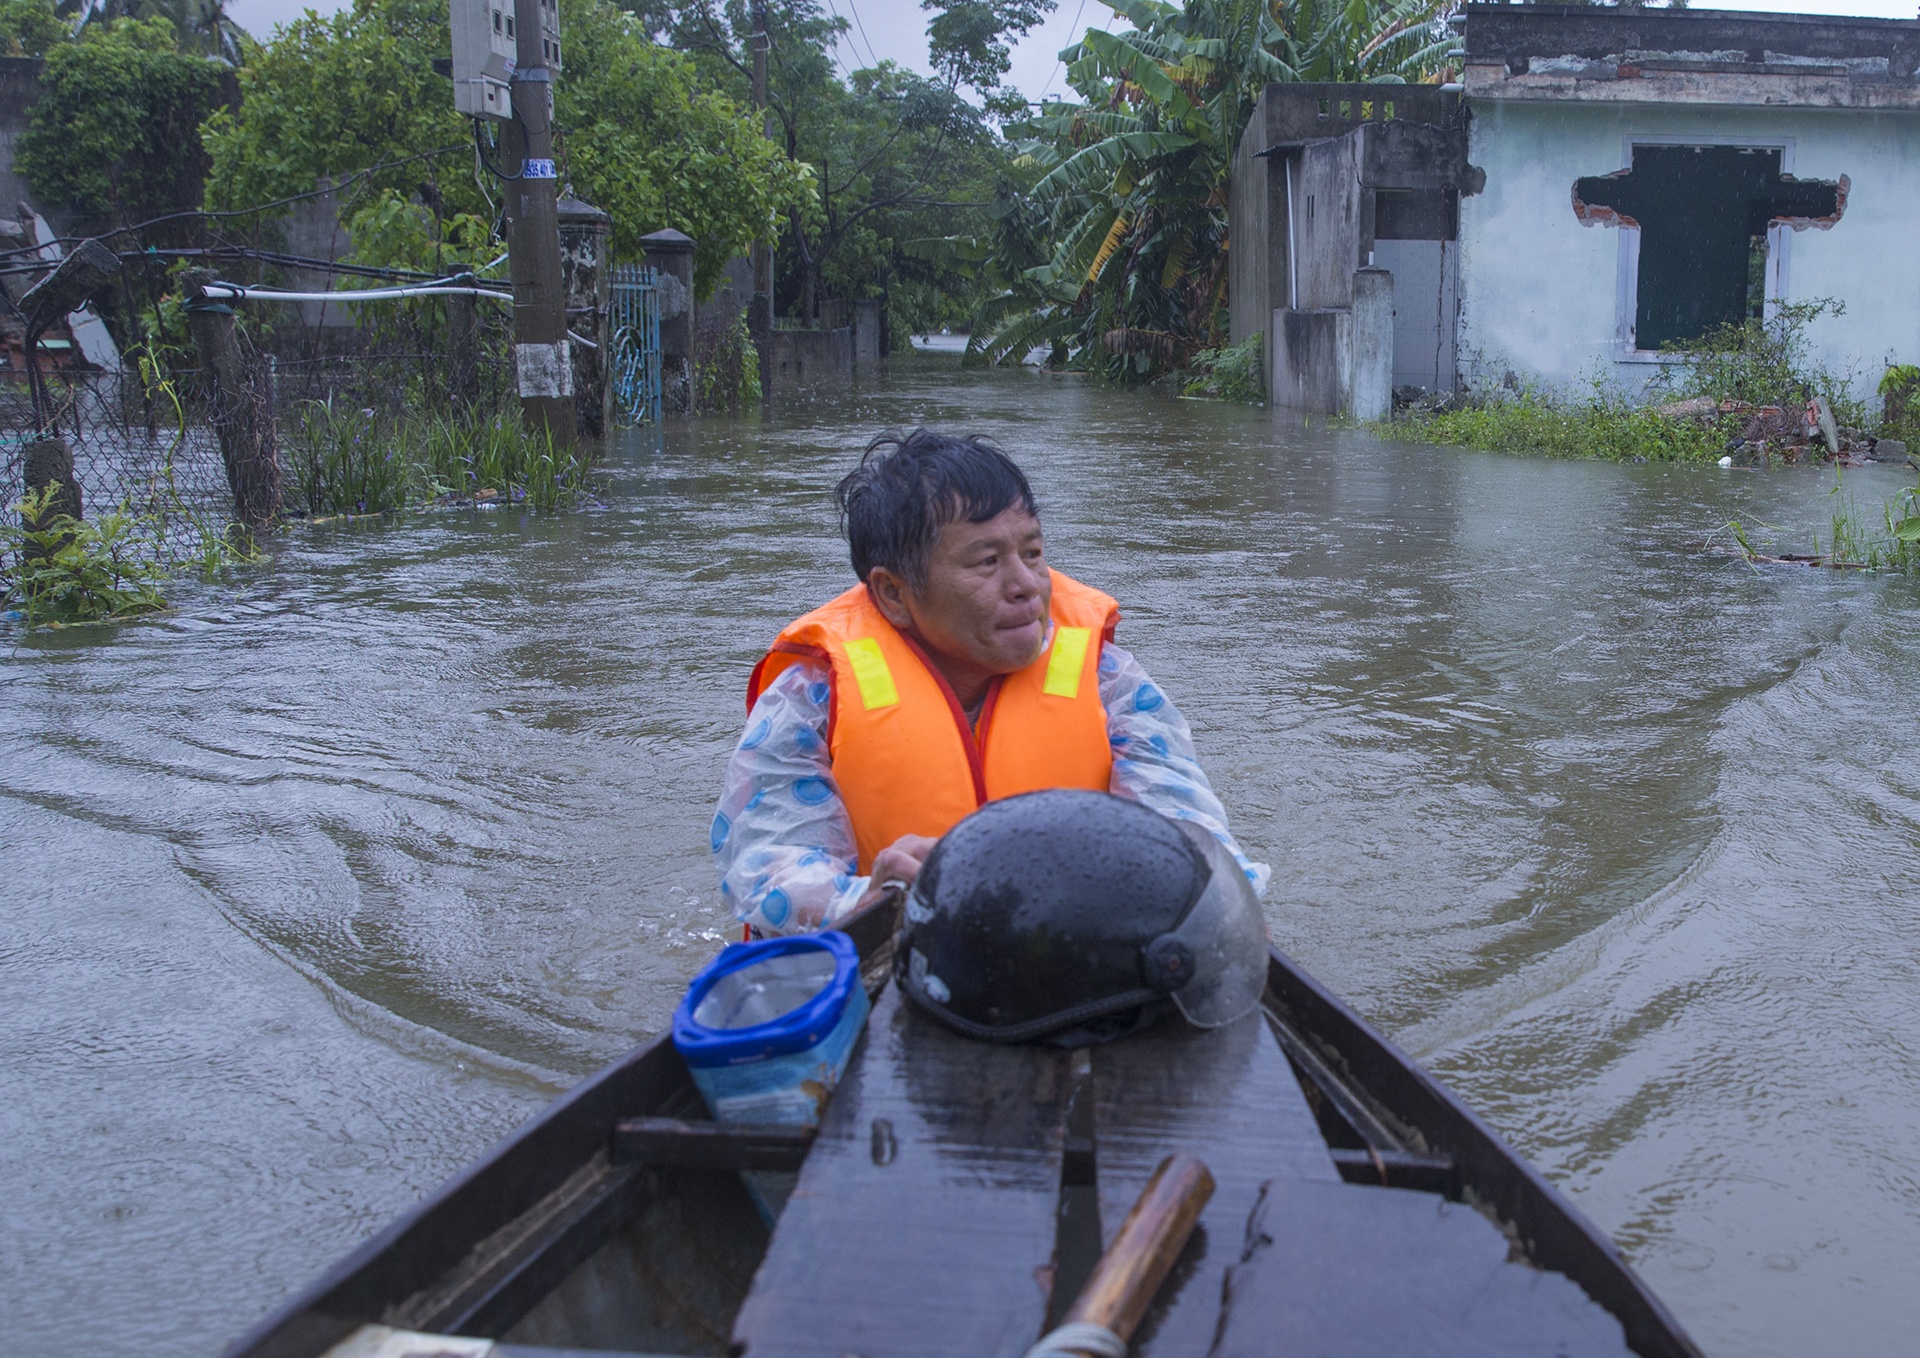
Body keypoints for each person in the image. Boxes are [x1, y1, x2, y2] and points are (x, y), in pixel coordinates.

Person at [712, 428, 1268, 935]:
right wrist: (873, 901)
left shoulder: (1105, 678)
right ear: (894, 595)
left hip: (1065, 946)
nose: (1027, 585)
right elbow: (769, 870)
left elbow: (1189, 827)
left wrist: (1220, 902)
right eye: (986, 562)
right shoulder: (815, 693)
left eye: (1032, 552)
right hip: (889, 954)